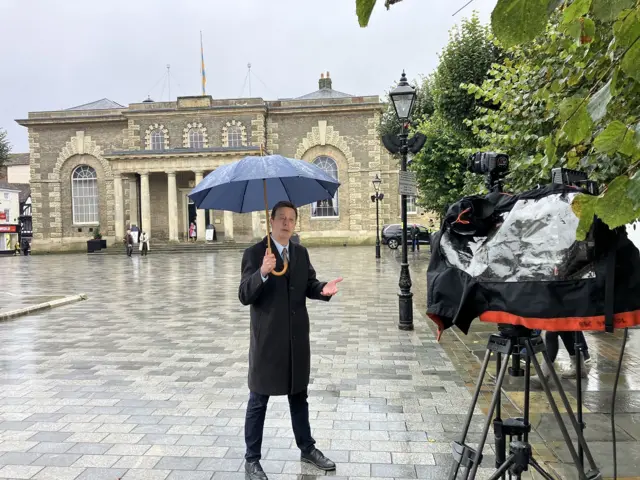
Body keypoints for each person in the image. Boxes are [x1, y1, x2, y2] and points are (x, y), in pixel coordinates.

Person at [238, 200, 343, 480]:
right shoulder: (254, 253)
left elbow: (309, 284)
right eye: (281, 218)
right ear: (270, 222)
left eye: (291, 219)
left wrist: (324, 289)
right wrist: (262, 271)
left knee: (299, 395)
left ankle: (307, 448)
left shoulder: (299, 252)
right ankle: (252, 459)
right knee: (258, 399)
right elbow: (244, 295)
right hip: (268, 340)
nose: (286, 223)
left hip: (296, 339)